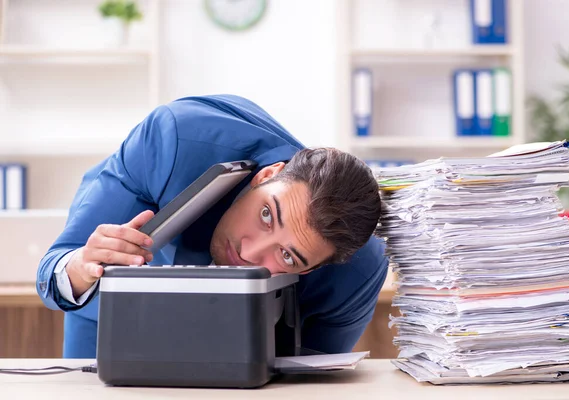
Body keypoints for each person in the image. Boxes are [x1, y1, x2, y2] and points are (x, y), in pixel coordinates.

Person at [36, 94, 389, 358]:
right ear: (268, 175)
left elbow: (310, 385)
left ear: (316, 267)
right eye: (267, 214)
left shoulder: (355, 272)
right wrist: (82, 266)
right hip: (115, 312)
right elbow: (53, 273)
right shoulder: (173, 141)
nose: (249, 252)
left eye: (287, 256)